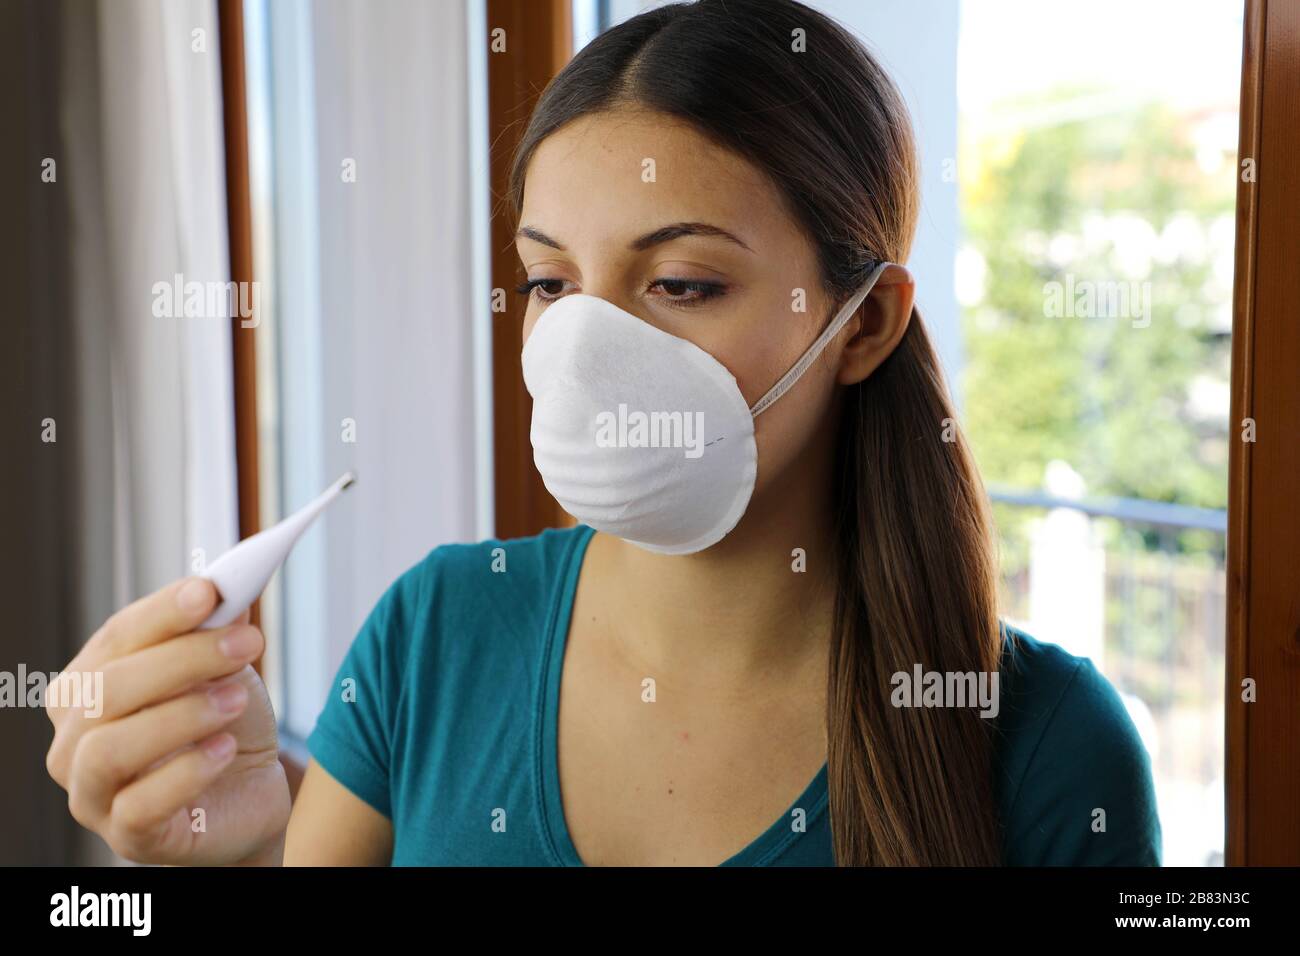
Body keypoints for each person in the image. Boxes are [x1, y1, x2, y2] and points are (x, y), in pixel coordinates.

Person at [44, 0, 1161, 866]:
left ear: (861, 322)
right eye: (548, 282)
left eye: (678, 281)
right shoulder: (435, 629)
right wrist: (233, 846)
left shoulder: (1047, 746)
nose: (584, 353)